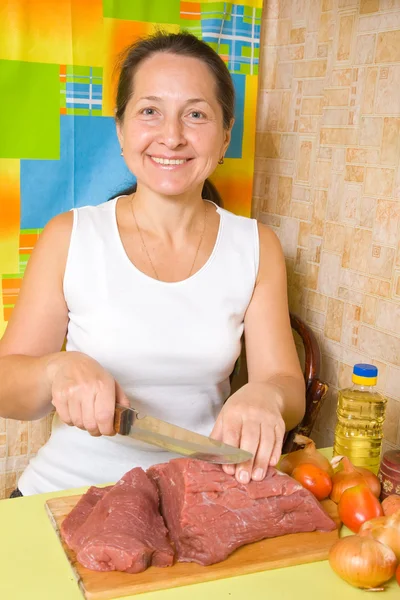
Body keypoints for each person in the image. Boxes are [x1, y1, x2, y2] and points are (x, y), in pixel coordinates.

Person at [0, 31, 305, 496]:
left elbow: (285, 382)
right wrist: (55, 370)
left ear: (225, 136)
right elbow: (6, 386)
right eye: (150, 111)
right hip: (62, 495)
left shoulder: (256, 246)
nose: (172, 136)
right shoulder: (70, 236)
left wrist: (269, 395)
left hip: (197, 499)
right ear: (121, 130)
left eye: (196, 114)